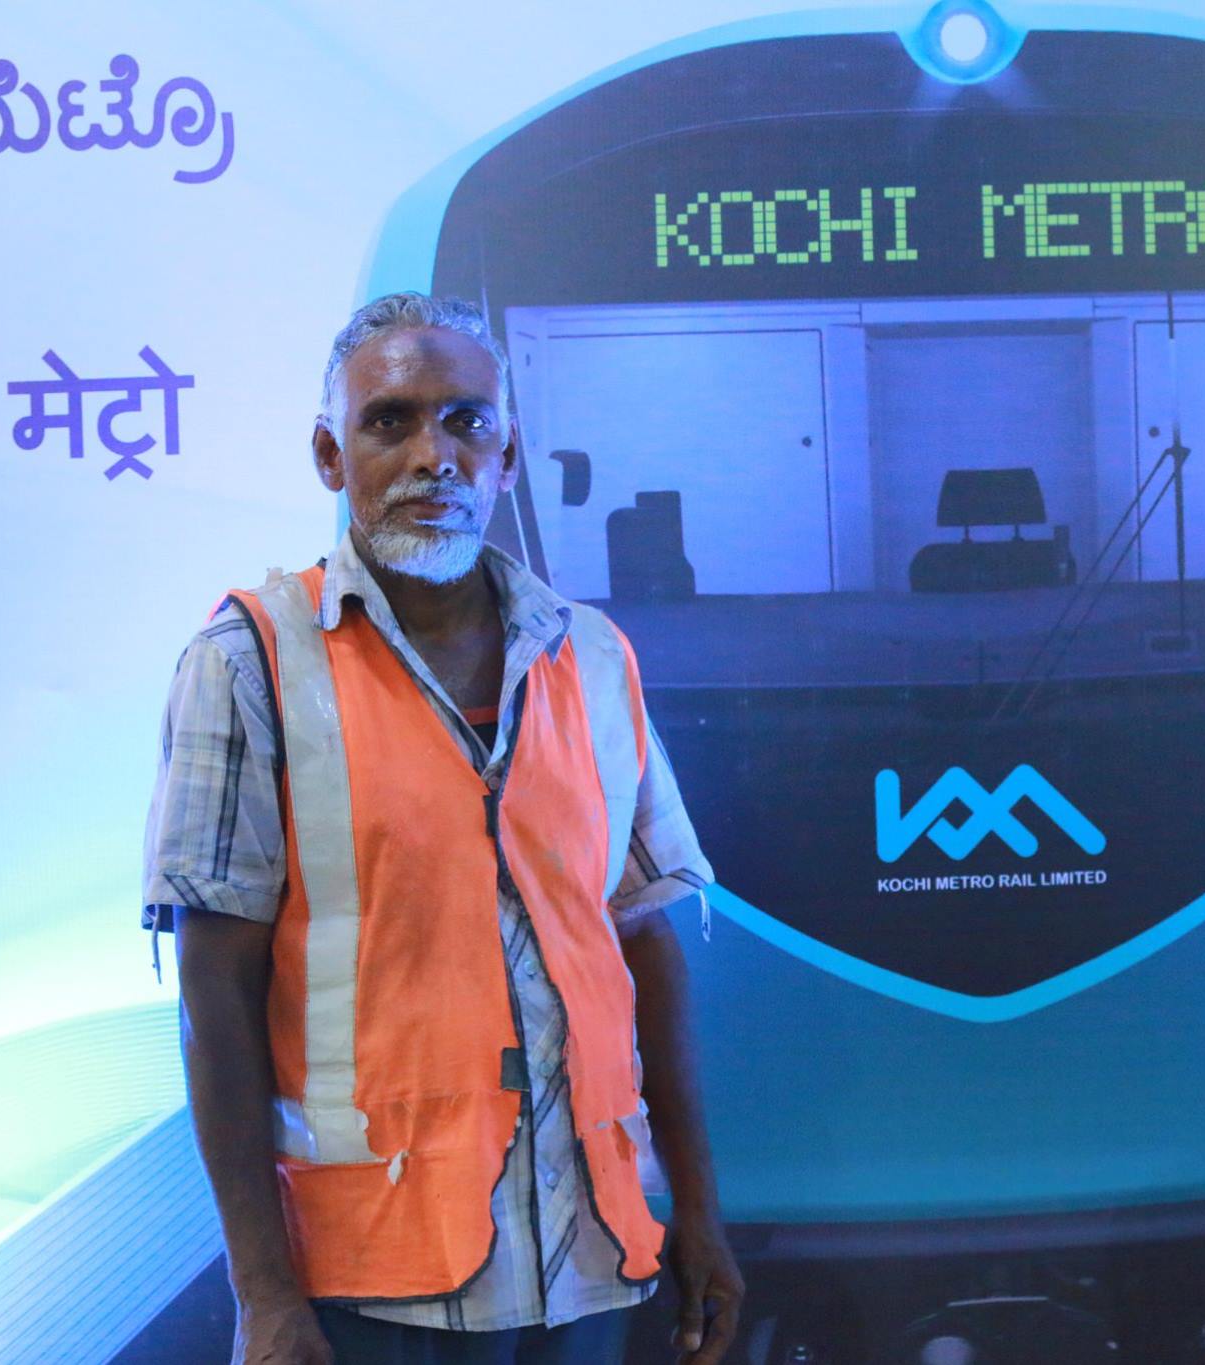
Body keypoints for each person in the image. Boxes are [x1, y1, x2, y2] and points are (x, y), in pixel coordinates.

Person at [141, 292, 744, 1364]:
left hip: (592, 1251)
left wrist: (694, 1211)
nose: (435, 454)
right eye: (391, 421)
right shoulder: (247, 663)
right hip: (371, 1281)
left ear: (506, 457)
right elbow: (212, 1002)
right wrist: (262, 1296)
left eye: (467, 422)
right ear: (331, 456)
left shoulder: (592, 659)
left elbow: (643, 943)